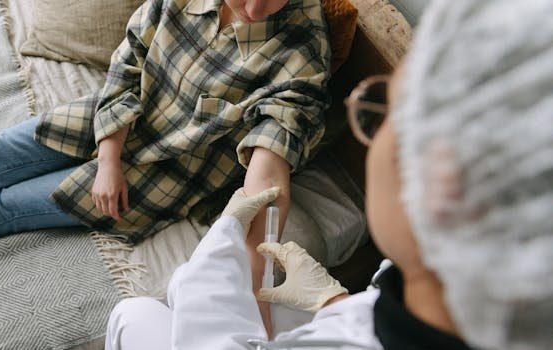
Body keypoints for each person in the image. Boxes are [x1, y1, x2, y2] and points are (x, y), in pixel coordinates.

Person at [0, 0, 330, 333]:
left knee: (1, 209)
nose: (256, 9)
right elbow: (128, 63)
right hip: (111, 121)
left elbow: (268, 179)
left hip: (163, 175)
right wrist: (108, 156)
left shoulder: (302, 48)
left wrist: (256, 289)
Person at [104, 0, 553, 349]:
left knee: (140, 311)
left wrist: (218, 265)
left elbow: (270, 164)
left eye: (385, 112)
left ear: (442, 180)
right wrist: (335, 300)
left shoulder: (300, 47)